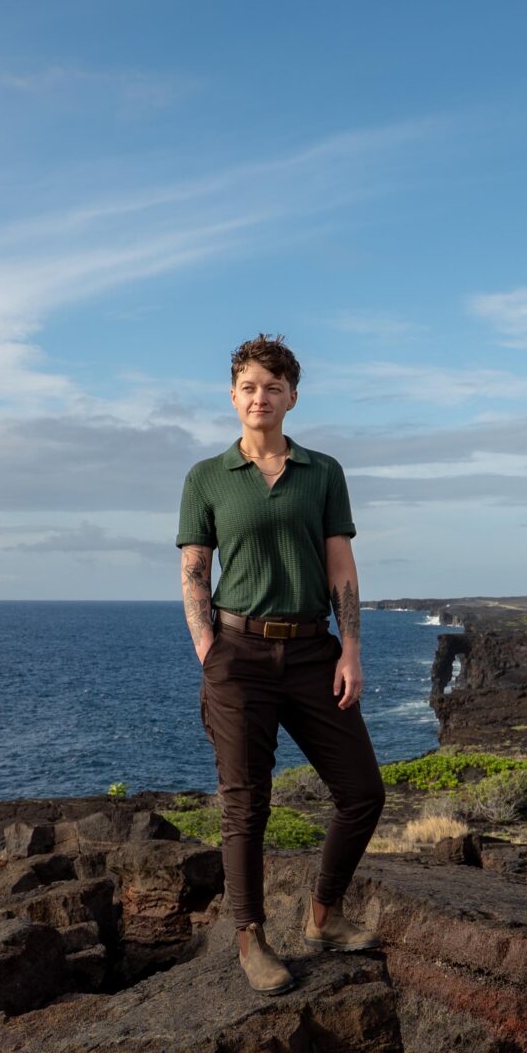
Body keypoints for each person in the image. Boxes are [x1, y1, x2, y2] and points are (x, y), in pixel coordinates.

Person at [176, 334, 386, 993]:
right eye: (248, 386)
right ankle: (251, 939)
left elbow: (341, 568)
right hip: (237, 653)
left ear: (293, 396)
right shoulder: (206, 477)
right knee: (246, 803)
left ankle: (322, 917)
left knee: (362, 790)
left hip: (312, 649)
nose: (259, 397)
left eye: (272, 386)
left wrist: (350, 647)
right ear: (232, 396)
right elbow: (193, 572)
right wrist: (209, 648)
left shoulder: (322, 472)